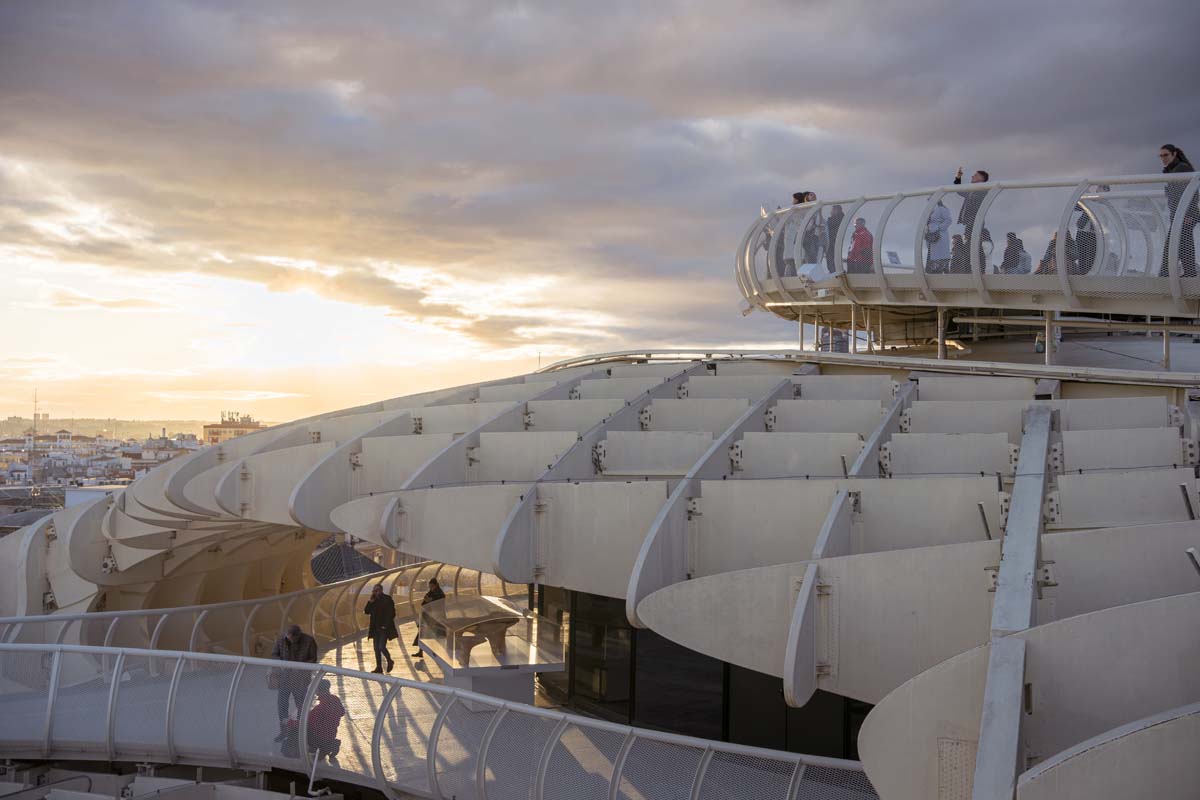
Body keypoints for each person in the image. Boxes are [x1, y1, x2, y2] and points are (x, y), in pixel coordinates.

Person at [270, 624, 318, 741]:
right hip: (284, 679)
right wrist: (281, 665)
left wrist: (300, 667)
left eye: (294, 639)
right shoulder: (281, 639)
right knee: (282, 706)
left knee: (301, 707)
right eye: (289, 638)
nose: (291, 641)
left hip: (300, 680)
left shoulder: (309, 641)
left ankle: (302, 732)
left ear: (298, 636)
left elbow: (313, 658)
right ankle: (284, 731)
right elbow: (274, 654)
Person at [1158, 144, 1197, 278]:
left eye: (1166, 155)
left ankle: (1164, 275)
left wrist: (1189, 214)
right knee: (1184, 243)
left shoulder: (1181, 168)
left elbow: (1193, 192)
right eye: (1161, 156)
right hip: (1180, 214)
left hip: (1184, 214)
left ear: (1174, 154)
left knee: (1173, 245)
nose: (1163, 158)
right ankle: (1189, 273)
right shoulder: (1172, 170)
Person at [364, 583, 398, 674]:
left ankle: (389, 660)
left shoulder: (387, 599)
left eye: (377, 590)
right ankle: (379, 667)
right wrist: (370, 602)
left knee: (381, 647)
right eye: (374, 591)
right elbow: (366, 611)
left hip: (383, 628)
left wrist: (385, 625)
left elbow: (392, 613)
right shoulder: (373, 600)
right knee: (376, 648)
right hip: (375, 628)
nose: (375, 592)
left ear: (381, 590)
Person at [411, 577, 446, 658]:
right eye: (430, 587)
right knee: (423, 634)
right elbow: (423, 604)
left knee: (437, 636)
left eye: (432, 586)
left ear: (436, 585)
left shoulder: (440, 594)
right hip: (428, 617)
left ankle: (437, 652)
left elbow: (439, 605)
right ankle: (420, 651)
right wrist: (427, 601)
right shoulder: (430, 593)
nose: (431, 588)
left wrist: (431, 601)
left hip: (437, 618)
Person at [925, 199, 953, 273]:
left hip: (940, 236)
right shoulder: (929, 210)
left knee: (939, 255)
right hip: (931, 237)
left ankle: (939, 271)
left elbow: (949, 220)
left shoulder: (942, 209)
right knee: (932, 254)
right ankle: (932, 272)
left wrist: (938, 227)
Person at [825, 204, 845, 273]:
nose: (831, 212)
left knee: (832, 260)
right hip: (832, 243)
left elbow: (830, 225)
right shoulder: (840, 219)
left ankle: (834, 273)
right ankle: (832, 272)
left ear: (837, 210)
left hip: (833, 243)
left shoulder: (838, 219)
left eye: (832, 210)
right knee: (830, 260)